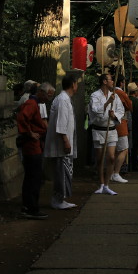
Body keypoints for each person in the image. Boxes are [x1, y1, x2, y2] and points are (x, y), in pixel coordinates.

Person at [17, 82, 54, 219]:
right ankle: (31, 207)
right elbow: (22, 118)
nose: (49, 98)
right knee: (34, 177)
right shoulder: (31, 104)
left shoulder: (35, 104)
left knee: (32, 177)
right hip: (32, 146)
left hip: (35, 144)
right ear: (41, 92)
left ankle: (29, 206)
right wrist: (29, 133)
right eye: (49, 95)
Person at [44, 73, 79, 208]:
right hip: (61, 144)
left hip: (63, 143)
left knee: (64, 171)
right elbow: (61, 123)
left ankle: (60, 199)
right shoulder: (63, 100)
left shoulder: (63, 99)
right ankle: (57, 200)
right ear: (73, 84)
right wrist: (65, 140)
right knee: (61, 172)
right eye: (76, 84)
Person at [88, 72, 124, 195]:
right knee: (100, 159)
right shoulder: (95, 95)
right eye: (110, 79)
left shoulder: (115, 96)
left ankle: (107, 184)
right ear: (104, 81)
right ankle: (101, 183)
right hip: (98, 130)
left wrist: (115, 115)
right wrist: (107, 102)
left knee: (111, 157)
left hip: (111, 129)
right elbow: (95, 110)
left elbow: (121, 110)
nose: (112, 81)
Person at [110, 75, 132, 184]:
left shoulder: (110, 92)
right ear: (122, 83)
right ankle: (116, 172)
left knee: (113, 149)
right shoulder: (120, 93)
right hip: (120, 122)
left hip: (112, 123)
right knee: (124, 149)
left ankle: (111, 172)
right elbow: (129, 105)